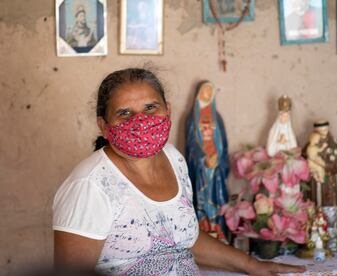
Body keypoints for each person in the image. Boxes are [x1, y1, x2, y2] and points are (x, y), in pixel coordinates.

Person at [53, 68, 306, 275]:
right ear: (104, 127)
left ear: (168, 111)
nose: (140, 121)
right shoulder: (90, 186)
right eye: (125, 113)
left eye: (151, 108)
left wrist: (253, 266)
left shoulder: (174, 159)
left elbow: (183, 239)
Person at [185, 81, 229, 243]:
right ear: (198, 93)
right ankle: (204, 232)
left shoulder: (218, 118)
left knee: (216, 197)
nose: (208, 93)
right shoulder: (192, 118)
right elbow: (191, 144)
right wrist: (203, 159)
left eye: (211, 90)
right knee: (202, 197)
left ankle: (218, 229)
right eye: (205, 90)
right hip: (202, 165)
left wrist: (218, 160)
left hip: (216, 165)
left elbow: (223, 143)